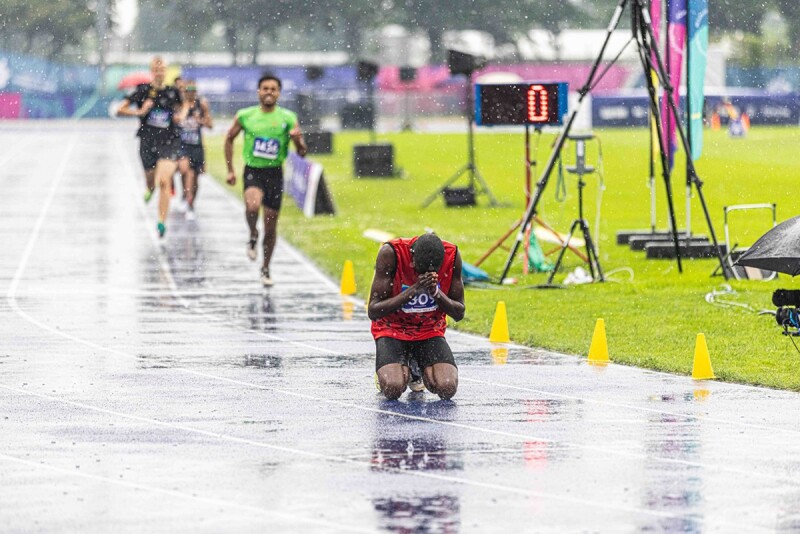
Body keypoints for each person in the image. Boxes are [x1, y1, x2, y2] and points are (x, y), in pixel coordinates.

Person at [224, 73, 307, 287]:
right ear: (258, 92)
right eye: (265, 88)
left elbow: (302, 152)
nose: (269, 92)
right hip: (254, 171)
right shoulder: (245, 115)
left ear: (279, 93)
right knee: (252, 207)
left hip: (275, 174)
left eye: (273, 89)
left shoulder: (288, 118)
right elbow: (229, 138)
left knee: (270, 227)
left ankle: (266, 267)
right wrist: (230, 170)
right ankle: (253, 233)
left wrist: (298, 141)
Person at [368, 233, 465, 400]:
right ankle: (393, 369)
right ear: (411, 259)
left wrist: (436, 292)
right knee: (393, 388)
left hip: (429, 330)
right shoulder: (391, 253)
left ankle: (416, 366)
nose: (427, 275)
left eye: (432, 272)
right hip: (392, 328)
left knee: (447, 387)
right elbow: (374, 310)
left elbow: (459, 313)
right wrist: (414, 289)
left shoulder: (452, 256)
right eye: (420, 271)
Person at [117, 56, 186, 237]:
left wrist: (181, 115)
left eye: (162, 70)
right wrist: (139, 111)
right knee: (151, 180)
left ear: (166, 72)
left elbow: (185, 105)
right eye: (156, 70)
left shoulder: (172, 92)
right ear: (151, 72)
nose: (159, 73)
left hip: (169, 141)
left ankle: (161, 221)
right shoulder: (143, 90)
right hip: (147, 141)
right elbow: (120, 109)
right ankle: (149, 188)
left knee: (164, 181)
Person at [177, 80, 213, 220]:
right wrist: (184, 112)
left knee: (195, 178)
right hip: (182, 146)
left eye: (193, 90)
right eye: (187, 90)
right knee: (186, 171)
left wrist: (201, 120)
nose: (190, 93)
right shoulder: (179, 105)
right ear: (183, 91)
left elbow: (210, 125)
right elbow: (175, 121)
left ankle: (191, 201)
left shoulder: (201, 105)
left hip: (196, 146)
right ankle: (186, 198)